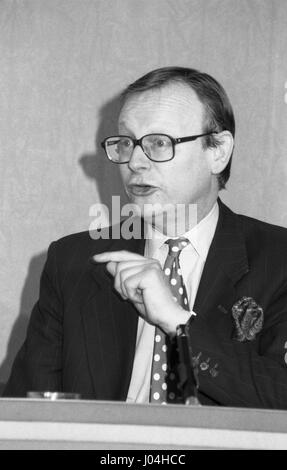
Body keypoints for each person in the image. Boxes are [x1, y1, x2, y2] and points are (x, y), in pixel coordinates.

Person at [3, 66, 287, 409]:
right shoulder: (74, 262)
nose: (135, 161)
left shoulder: (277, 260)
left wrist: (178, 322)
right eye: (126, 143)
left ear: (218, 151)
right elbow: (29, 410)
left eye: (158, 143)